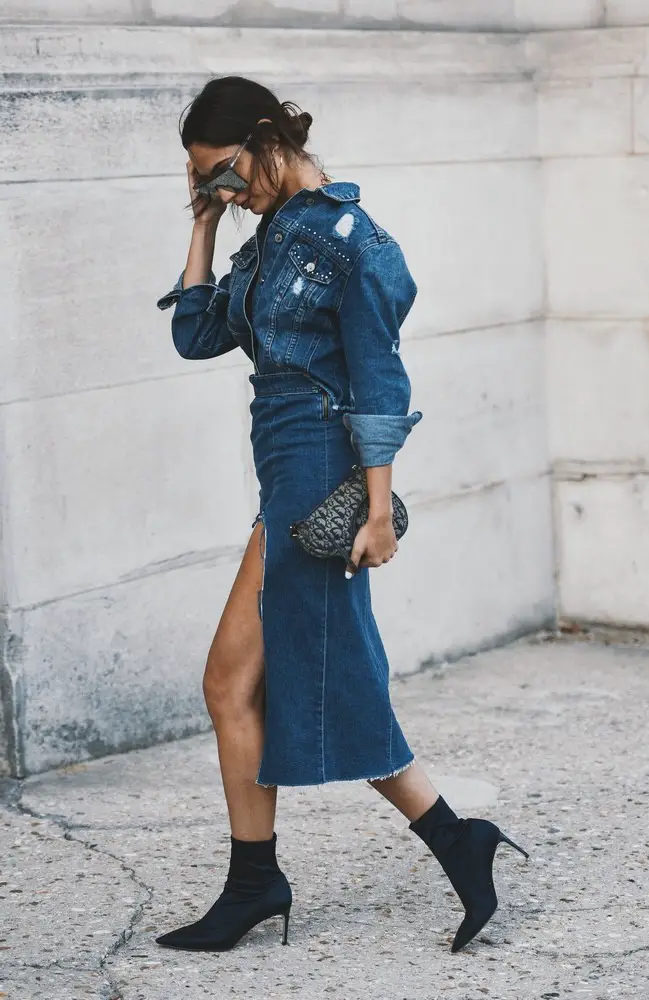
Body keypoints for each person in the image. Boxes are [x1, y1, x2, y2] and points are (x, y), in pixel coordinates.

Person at [155, 76, 528, 955]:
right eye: (206, 183)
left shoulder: (353, 240)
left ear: (262, 140)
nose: (222, 193)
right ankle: (265, 877)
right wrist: (203, 226)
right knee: (237, 684)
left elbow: (380, 377)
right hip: (283, 476)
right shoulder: (268, 236)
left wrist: (378, 507)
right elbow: (194, 336)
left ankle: (436, 842)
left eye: (222, 176)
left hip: (324, 475)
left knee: (319, 682)